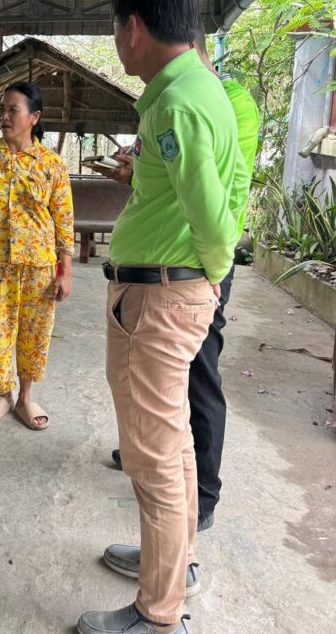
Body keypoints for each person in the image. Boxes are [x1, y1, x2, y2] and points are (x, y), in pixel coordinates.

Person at [77, 0, 247, 634]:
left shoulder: (176, 103)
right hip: (165, 288)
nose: (118, 41)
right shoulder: (196, 90)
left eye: (116, 28)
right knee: (171, 446)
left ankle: (159, 616)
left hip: (161, 296)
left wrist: (209, 280)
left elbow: (211, 216)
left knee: (151, 456)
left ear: (135, 28)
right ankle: (171, 566)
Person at [104, 29, 261, 534]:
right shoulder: (193, 98)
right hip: (187, 267)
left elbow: (222, 198)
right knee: (167, 425)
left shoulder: (190, 102)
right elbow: (182, 186)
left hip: (187, 274)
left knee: (189, 398)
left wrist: (215, 272)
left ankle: (196, 514)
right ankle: (178, 551)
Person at [0, 82, 75, 430]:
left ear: (34, 117)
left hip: (39, 266)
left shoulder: (52, 164)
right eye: (2, 109)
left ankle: (25, 397)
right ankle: (1, 393)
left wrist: (65, 271)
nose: (4, 116)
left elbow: (64, 221)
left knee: (33, 335)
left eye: (13, 110)